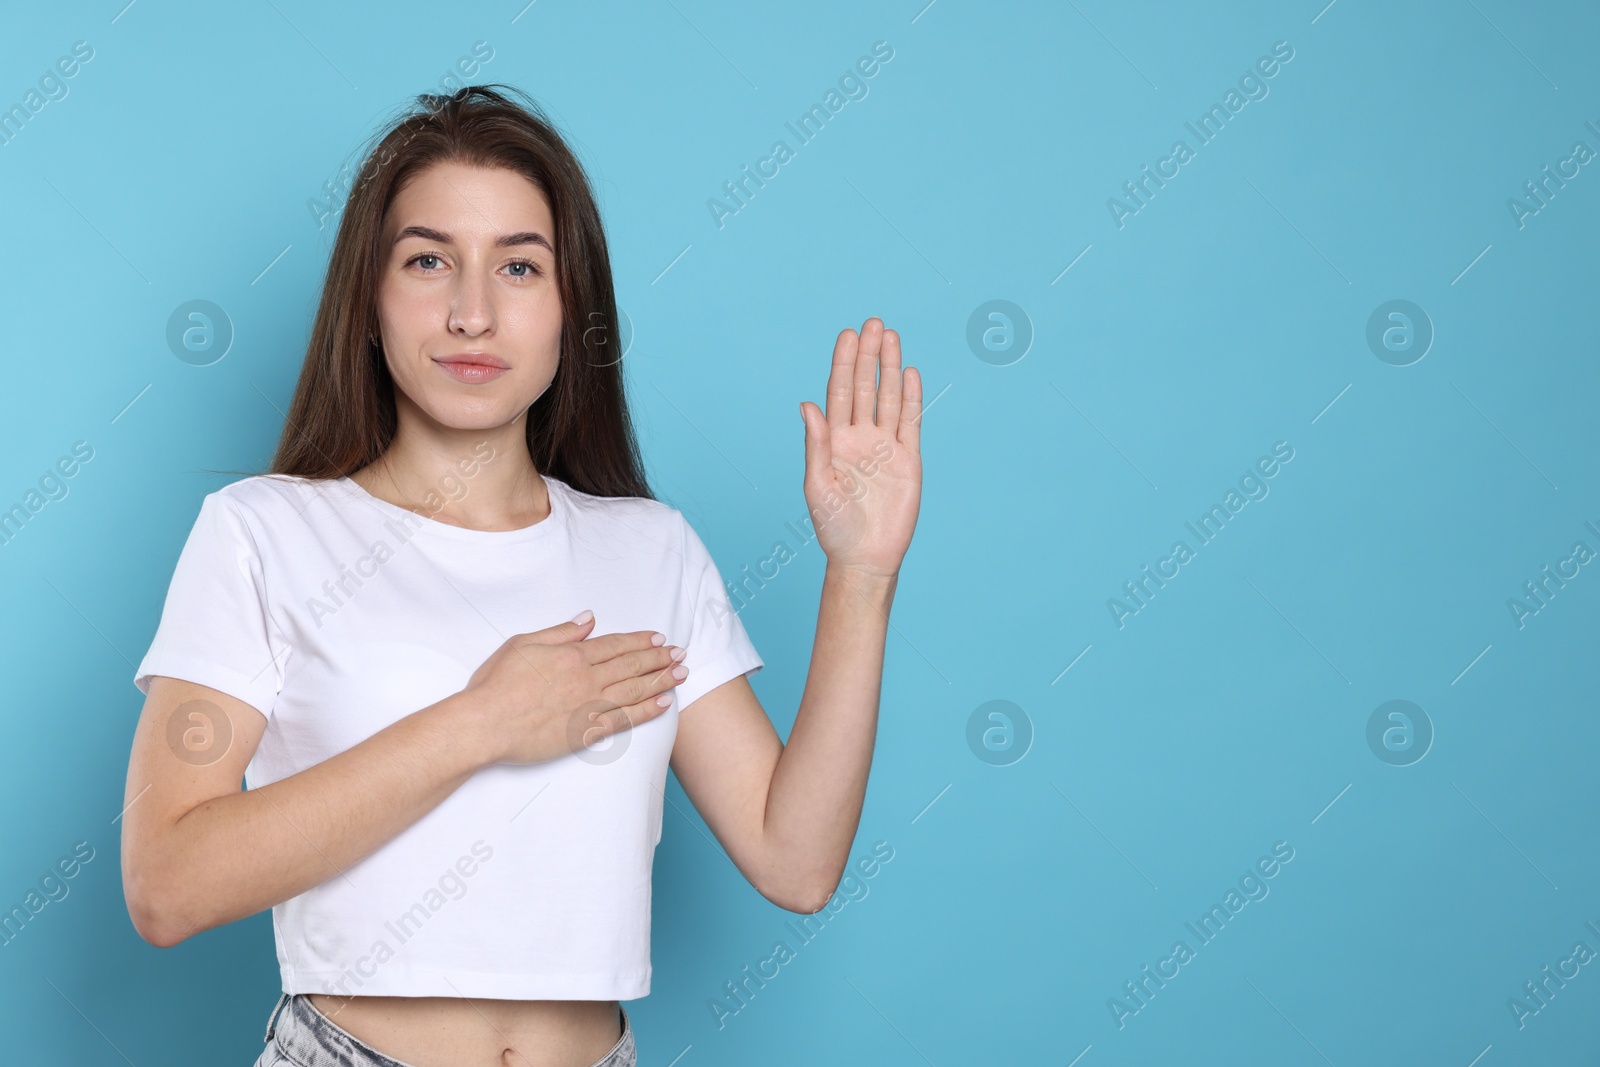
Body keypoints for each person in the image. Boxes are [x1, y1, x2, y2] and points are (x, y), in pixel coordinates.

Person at [119, 84, 923, 1067]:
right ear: (368, 302)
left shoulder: (650, 549)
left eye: (518, 266)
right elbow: (165, 882)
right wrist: (482, 722)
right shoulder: (261, 533)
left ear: (568, 311)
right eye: (427, 261)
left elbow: (794, 860)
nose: (471, 311)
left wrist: (861, 571)